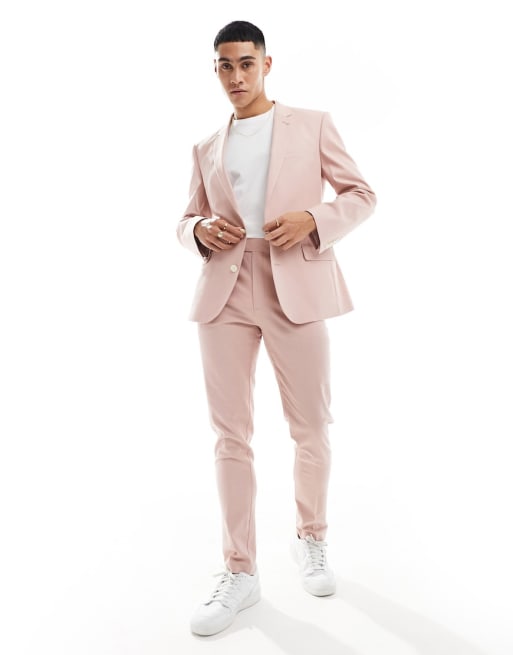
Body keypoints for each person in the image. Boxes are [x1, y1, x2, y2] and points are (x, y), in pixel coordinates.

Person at [177, 20, 377, 637]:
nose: (235, 76)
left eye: (246, 63)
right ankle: (240, 570)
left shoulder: (311, 124)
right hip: (225, 291)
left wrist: (314, 218)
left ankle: (311, 538)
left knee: (311, 424)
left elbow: (361, 194)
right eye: (225, 66)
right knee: (229, 435)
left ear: (266, 64)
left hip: (296, 284)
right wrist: (197, 231)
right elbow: (185, 218)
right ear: (215, 70)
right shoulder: (206, 146)